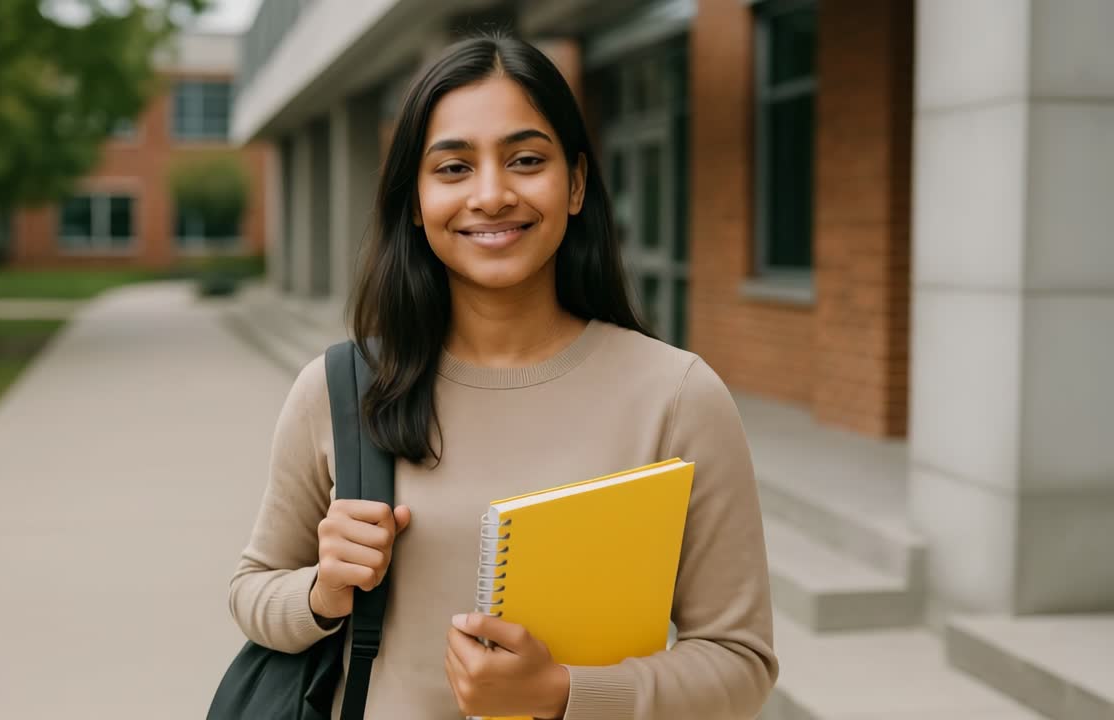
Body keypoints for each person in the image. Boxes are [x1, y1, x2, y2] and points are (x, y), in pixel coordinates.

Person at [229, 34, 778, 719]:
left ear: (575, 184)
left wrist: (566, 695)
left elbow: (740, 661)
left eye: (525, 160)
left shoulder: (676, 396)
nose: (491, 195)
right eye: (453, 168)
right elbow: (253, 592)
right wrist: (321, 592)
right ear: (415, 201)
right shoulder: (341, 389)